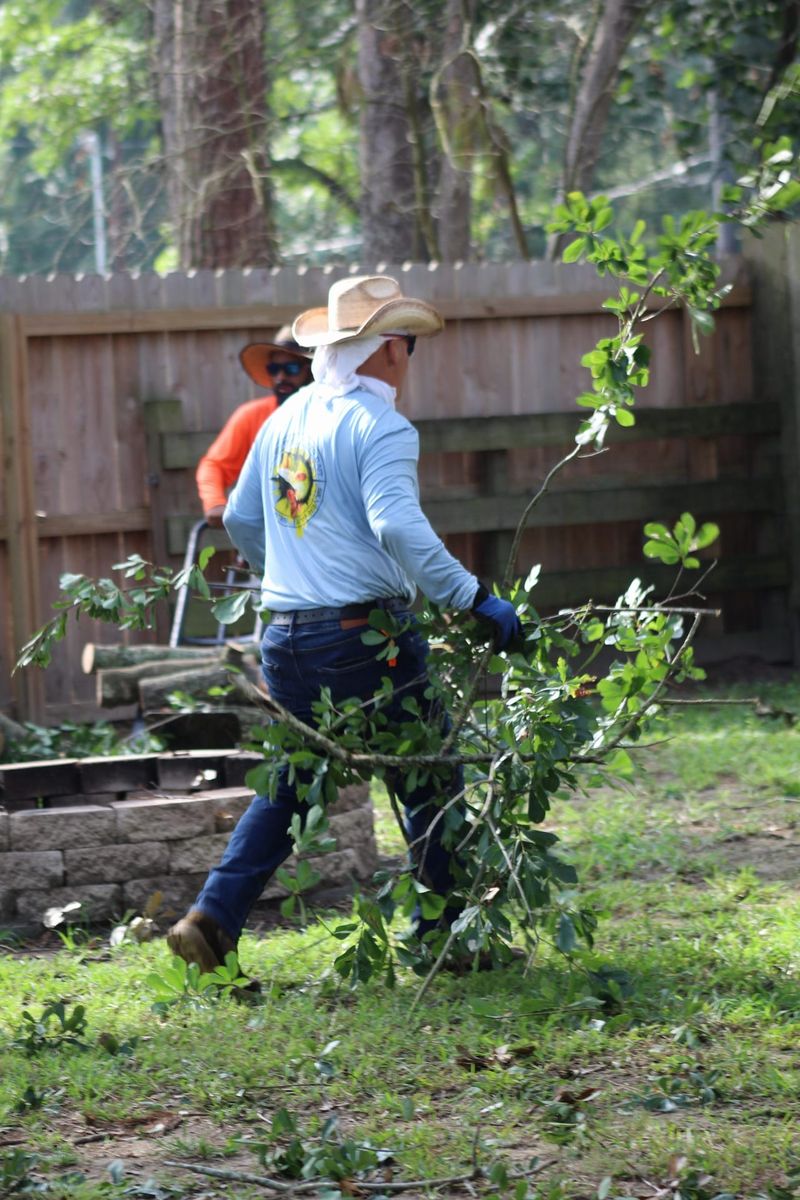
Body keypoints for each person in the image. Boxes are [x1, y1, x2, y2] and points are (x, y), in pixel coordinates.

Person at [167, 275, 520, 976]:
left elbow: (239, 519)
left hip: (286, 639)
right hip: (365, 636)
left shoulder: (284, 419)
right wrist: (473, 596)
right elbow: (396, 523)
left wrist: (290, 579)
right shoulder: (381, 426)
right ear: (387, 349)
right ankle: (445, 939)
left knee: (294, 782)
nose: (410, 358)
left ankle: (212, 917)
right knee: (428, 776)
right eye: (409, 345)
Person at [195, 325, 313, 527]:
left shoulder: (330, 417)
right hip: (264, 535)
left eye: (291, 368)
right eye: (274, 369)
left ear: (311, 370)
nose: (281, 377)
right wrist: (215, 504)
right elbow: (214, 465)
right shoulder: (252, 416)